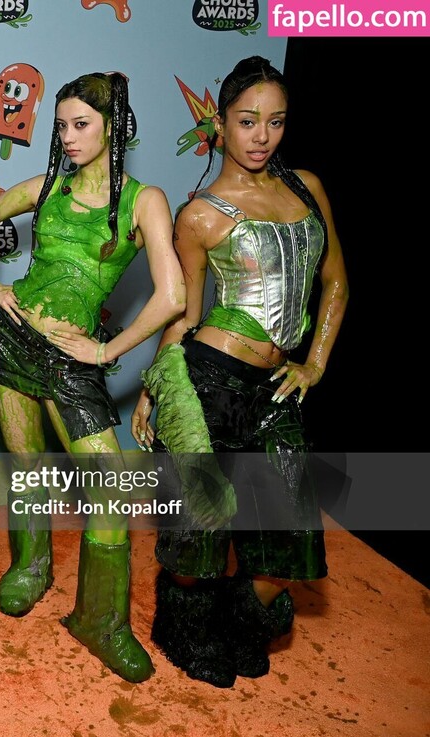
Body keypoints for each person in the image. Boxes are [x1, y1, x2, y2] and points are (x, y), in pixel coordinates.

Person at [134, 55, 347, 688]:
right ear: (220, 125)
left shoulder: (308, 189)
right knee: (198, 541)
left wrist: (315, 363)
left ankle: (234, 624)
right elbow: (183, 314)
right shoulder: (199, 215)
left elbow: (335, 283)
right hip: (213, 384)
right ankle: (186, 628)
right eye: (248, 121)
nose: (262, 136)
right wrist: (153, 388)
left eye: (276, 122)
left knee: (285, 547)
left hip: (277, 391)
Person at [0, 72, 184, 682]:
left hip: (73, 360)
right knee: (27, 463)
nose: (69, 138)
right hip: (14, 341)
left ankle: (100, 620)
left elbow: (173, 296)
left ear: (112, 127)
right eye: (62, 127)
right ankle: (31, 567)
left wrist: (106, 353)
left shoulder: (144, 200)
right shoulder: (47, 185)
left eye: (82, 125)